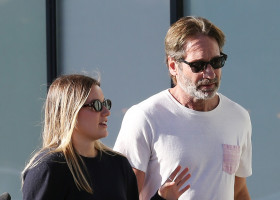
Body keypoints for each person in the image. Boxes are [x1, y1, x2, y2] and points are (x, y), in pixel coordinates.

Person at [114, 16, 252, 200]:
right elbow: (122, 195)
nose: (210, 73)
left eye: (216, 62)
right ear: (173, 66)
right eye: (198, 65)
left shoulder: (238, 117)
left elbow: (239, 192)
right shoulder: (145, 117)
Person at [22, 74, 191, 200]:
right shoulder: (48, 168)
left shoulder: (118, 165)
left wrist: (161, 198)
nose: (106, 112)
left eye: (105, 103)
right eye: (96, 105)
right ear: (69, 111)